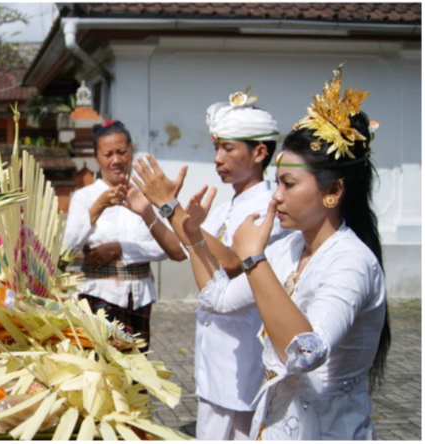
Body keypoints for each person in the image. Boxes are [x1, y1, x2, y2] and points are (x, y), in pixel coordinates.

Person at [134, 66, 390, 440]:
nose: (277, 195)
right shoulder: (291, 247)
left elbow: (304, 353)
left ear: (333, 191)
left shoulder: (351, 260)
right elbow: (216, 297)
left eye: (288, 183)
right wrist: (194, 237)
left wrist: (253, 258)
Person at [133, 89, 289, 439]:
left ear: (260, 152)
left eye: (228, 148)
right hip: (216, 357)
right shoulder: (223, 207)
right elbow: (186, 245)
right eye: (216, 147)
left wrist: (172, 207)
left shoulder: (269, 207)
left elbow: (236, 263)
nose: (217, 158)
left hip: (244, 356)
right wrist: (152, 211)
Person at [63, 121, 186, 353]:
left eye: (122, 152)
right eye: (108, 154)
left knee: (137, 375)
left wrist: (121, 248)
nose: (116, 160)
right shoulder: (84, 197)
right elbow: (67, 248)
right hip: (97, 297)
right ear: (97, 158)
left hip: (139, 298)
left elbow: (167, 246)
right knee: (101, 374)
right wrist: (97, 207)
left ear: (131, 152)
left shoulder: (146, 195)